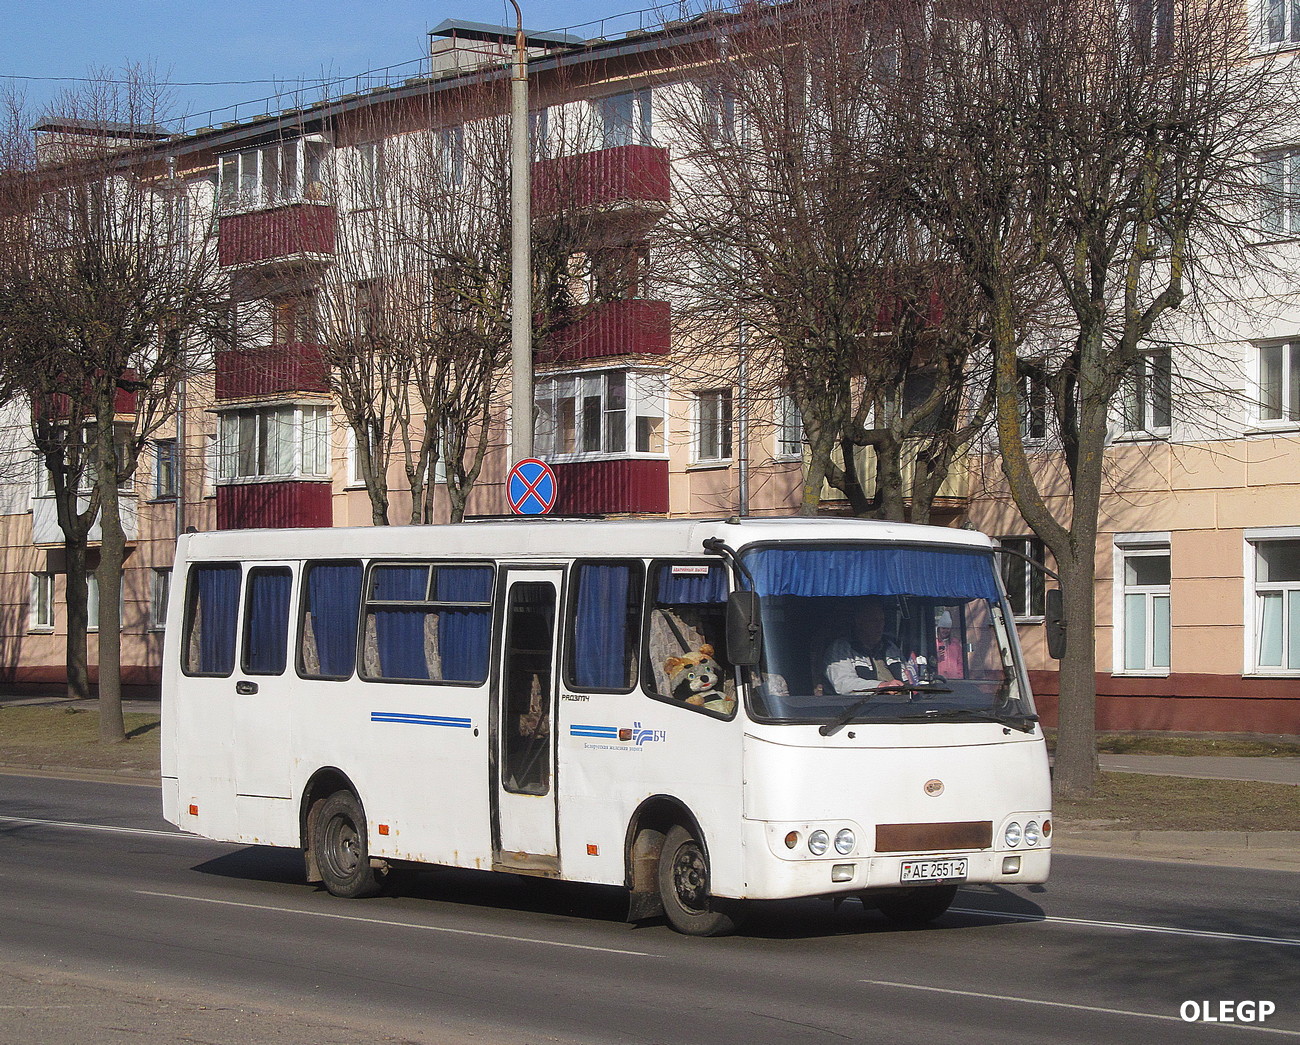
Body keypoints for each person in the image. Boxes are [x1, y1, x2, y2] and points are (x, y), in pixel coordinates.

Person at [822, 598, 908, 695]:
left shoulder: (891, 648)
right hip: (860, 707)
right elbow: (844, 684)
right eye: (874, 621)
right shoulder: (841, 649)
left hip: (900, 705)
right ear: (859, 622)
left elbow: (908, 678)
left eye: (882, 620)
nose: (879, 625)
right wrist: (881, 686)